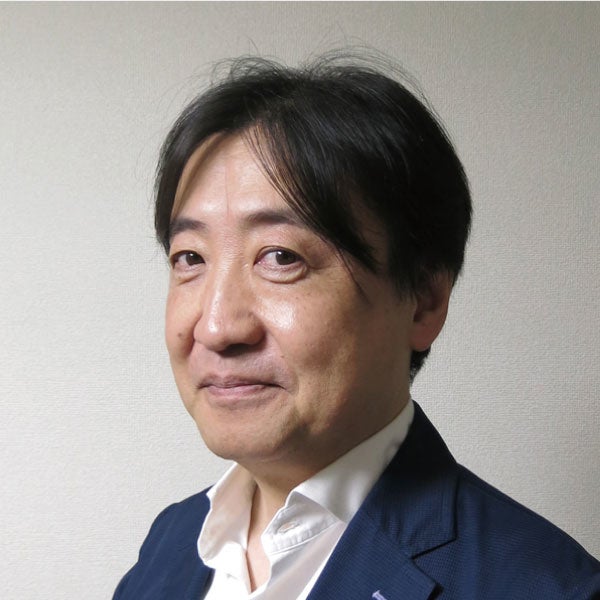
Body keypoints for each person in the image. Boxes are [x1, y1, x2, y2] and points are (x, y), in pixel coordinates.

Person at [113, 53, 600, 599]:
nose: (217, 327)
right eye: (190, 258)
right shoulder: (170, 544)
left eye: (281, 257)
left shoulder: (547, 587)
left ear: (423, 301)